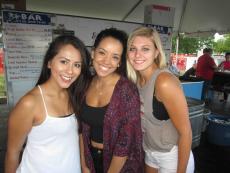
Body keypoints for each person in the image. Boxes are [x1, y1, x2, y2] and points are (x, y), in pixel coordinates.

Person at [5, 35, 91, 173]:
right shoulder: (30, 103)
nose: (70, 71)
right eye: (64, 62)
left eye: (77, 65)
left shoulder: (73, 95)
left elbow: (77, 136)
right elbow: (12, 153)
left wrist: (84, 166)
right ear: (49, 62)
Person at [126, 26, 194, 173]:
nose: (137, 55)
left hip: (172, 155)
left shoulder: (163, 81)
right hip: (150, 151)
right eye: (132, 49)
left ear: (156, 52)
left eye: (145, 49)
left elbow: (186, 132)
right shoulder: (137, 79)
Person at [79, 28, 144, 173]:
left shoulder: (127, 90)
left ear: (120, 62)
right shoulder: (85, 84)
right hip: (90, 159)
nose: (106, 61)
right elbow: (81, 129)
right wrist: (84, 165)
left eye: (115, 57)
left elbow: (125, 142)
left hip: (119, 165)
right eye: (102, 52)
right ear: (93, 53)